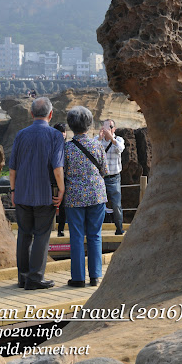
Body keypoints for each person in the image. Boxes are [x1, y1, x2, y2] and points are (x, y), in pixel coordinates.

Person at [9, 97, 65, 290]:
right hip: (44, 194)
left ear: (32, 114)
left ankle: (23, 277)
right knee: (42, 235)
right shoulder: (55, 136)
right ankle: (35, 278)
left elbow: (13, 168)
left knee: (23, 235)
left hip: (23, 192)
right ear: (50, 115)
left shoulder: (20, 135)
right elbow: (58, 168)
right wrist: (62, 188)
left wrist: (13, 191)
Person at [64, 106, 108, 287]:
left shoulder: (66, 148)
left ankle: (78, 278)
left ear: (70, 125)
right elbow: (105, 170)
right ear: (89, 125)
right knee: (95, 235)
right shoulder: (97, 145)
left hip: (74, 196)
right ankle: (95, 276)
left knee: (76, 236)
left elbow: (62, 172)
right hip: (97, 194)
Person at [98, 119, 125, 235]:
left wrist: (112, 139)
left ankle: (119, 228)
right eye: (105, 127)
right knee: (97, 205)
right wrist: (99, 138)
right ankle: (96, 230)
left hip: (114, 177)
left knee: (116, 205)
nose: (108, 129)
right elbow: (90, 150)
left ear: (114, 128)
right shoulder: (97, 140)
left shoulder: (118, 139)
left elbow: (120, 149)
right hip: (100, 177)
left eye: (110, 127)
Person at [53, 122, 68, 236]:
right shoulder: (51, 146)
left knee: (63, 206)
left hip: (65, 179)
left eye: (64, 131)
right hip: (53, 179)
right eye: (60, 132)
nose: (62, 134)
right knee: (50, 205)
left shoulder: (68, 146)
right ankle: (51, 228)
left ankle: (60, 229)